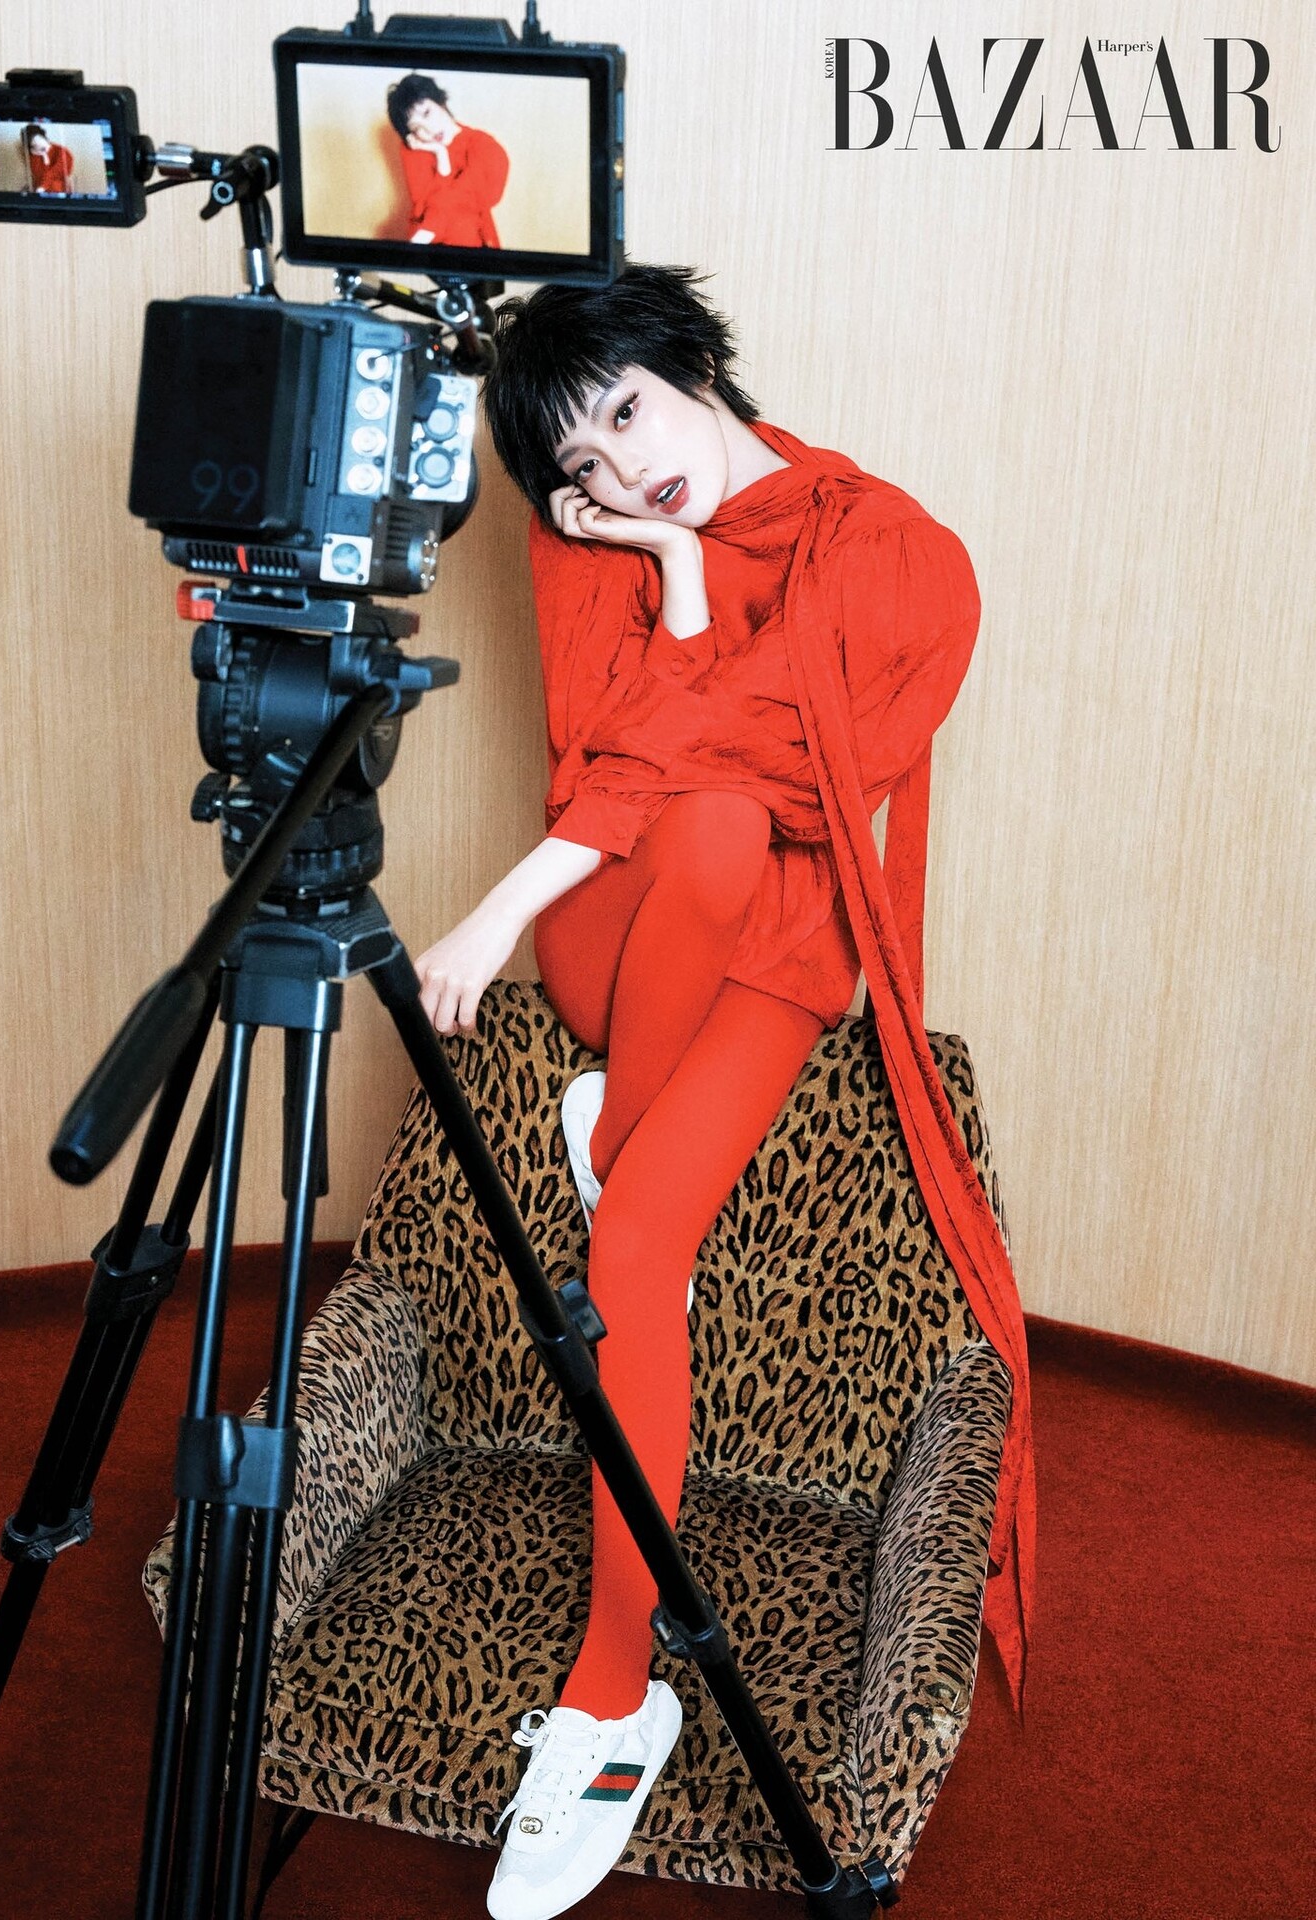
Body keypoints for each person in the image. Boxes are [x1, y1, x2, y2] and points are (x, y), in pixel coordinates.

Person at [412, 263, 1036, 1920]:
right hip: (618, 939)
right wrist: (666, 569)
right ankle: (621, 1122)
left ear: (695, 362)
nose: (623, 469)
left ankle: (612, 1700)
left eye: (629, 410)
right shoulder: (587, 537)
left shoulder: (894, 551)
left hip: (775, 960)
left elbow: (767, 766)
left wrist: (489, 909)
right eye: (584, 460)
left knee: (633, 1254)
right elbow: (615, 750)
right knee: (700, 817)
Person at [385, 73, 509, 248]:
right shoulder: (415, 147)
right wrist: (440, 154)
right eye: (416, 127)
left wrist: (430, 228)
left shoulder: (482, 144)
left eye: (427, 113)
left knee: (462, 223)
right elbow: (421, 205)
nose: (429, 129)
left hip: (468, 241)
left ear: (440, 102)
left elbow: (474, 199)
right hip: (428, 244)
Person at [22, 123, 74, 196]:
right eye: (34, 145)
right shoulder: (33, 156)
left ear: (44, 137)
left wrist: (43, 186)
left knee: (54, 186)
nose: (39, 145)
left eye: (40, 139)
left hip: (58, 191)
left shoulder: (61, 151)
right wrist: (39, 155)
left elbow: (55, 172)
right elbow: (38, 176)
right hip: (39, 191)